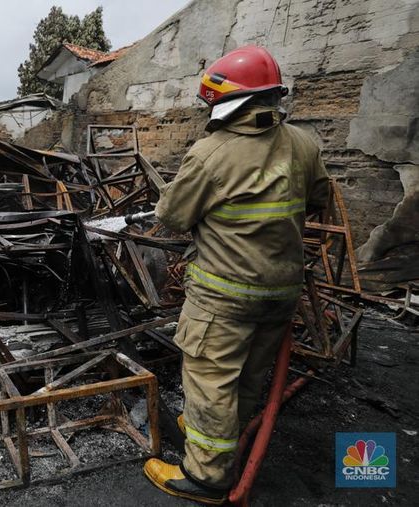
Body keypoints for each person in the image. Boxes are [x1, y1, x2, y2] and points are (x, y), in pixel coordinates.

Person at [143, 46, 329, 504]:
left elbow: (173, 216)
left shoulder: (212, 152)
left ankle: (206, 476)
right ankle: (223, 435)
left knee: (211, 380)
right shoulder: (305, 144)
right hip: (281, 291)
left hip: (224, 297)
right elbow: (318, 198)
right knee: (249, 376)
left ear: (222, 101)